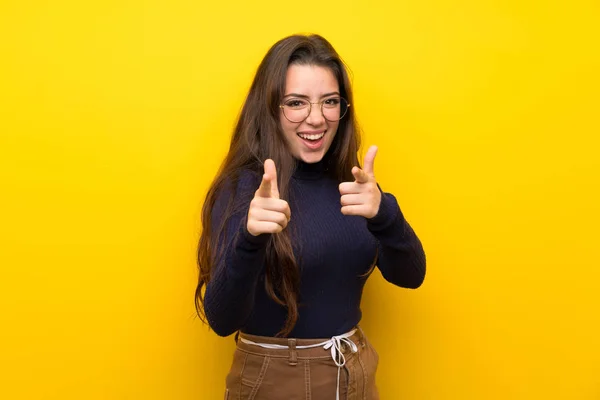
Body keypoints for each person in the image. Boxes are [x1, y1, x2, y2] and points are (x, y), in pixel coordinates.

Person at [195, 34, 426, 400]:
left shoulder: (353, 186)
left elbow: (411, 276)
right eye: (296, 103)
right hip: (277, 379)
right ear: (270, 108)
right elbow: (222, 319)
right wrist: (250, 237)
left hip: (355, 369)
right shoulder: (246, 189)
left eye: (330, 102)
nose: (316, 118)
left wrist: (385, 213)